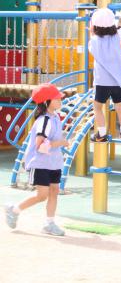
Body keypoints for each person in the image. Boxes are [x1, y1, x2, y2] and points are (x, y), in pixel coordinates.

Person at [4, 83, 69, 236]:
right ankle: (14, 209)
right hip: (40, 163)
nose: (60, 100)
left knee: (54, 191)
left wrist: (60, 143)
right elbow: (40, 146)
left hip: (53, 163)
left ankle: (49, 223)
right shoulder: (44, 120)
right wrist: (61, 143)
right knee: (42, 195)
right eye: (57, 98)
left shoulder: (55, 117)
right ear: (47, 101)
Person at [89, 5, 121, 142]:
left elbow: (92, 37)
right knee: (119, 106)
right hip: (118, 80)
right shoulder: (116, 36)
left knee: (97, 107)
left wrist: (91, 28)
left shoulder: (94, 41)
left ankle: (101, 134)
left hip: (102, 81)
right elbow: (120, 23)